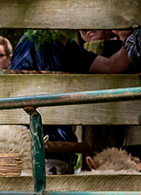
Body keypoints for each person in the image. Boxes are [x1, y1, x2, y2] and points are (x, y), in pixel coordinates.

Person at [9, 29, 141, 172]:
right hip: (39, 156)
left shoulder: (68, 47)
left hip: (62, 156)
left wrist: (130, 42)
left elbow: (111, 66)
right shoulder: (33, 42)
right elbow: (17, 93)